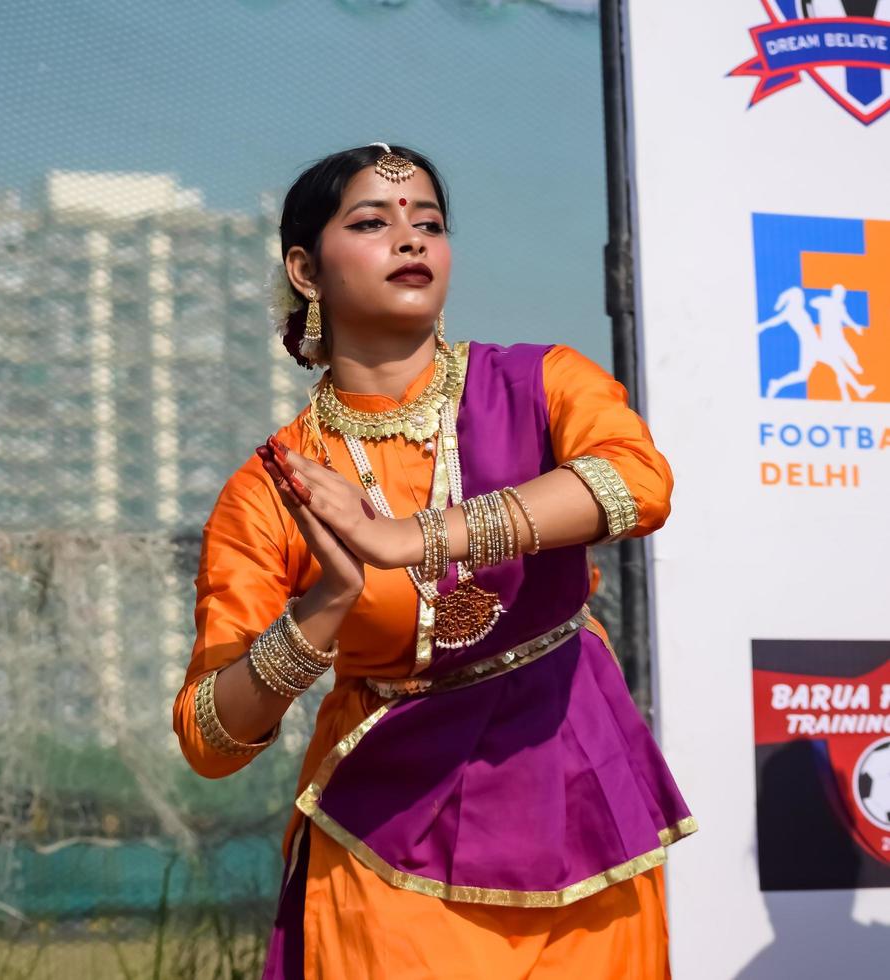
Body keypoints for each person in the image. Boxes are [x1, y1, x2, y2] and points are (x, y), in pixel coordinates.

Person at [173, 143, 697, 979]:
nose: (411, 240)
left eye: (430, 224)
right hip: (383, 832)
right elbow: (210, 734)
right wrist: (322, 613)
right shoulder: (274, 487)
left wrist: (412, 537)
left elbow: (638, 484)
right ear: (306, 270)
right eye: (374, 223)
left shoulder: (540, 386)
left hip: (578, 793)